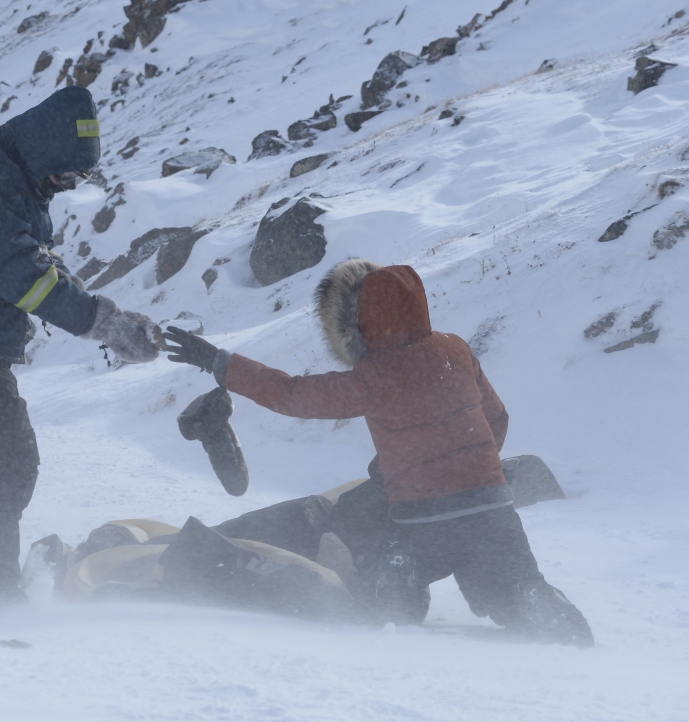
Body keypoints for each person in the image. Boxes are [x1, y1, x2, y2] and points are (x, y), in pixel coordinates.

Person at [164, 259, 594, 647]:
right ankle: (547, 612)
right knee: (518, 587)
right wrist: (465, 471)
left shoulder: (375, 374)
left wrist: (219, 362)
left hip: (420, 524)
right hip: (493, 512)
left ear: (361, 324)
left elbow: (292, 395)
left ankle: (394, 600)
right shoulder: (456, 350)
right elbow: (496, 420)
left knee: (376, 602)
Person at [0, 86, 161, 610]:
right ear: (45, 150)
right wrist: (104, 324)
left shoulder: (13, 169)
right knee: (9, 460)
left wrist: (96, 309)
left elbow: (33, 256)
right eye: (65, 174)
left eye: (77, 178)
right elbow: (23, 276)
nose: (65, 185)